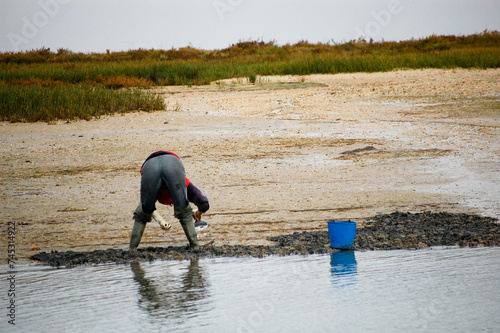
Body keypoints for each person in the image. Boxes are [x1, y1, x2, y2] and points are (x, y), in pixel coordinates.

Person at [129, 151, 209, 251]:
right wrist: (199, 212)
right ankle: (195, 246)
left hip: (149, 166)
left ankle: (132, 249)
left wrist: (197, 213)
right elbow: (203, 203)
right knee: (184, 210)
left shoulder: (157, 191)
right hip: (173, 164)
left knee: (143, 212)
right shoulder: (185, 185)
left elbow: (147, 208)